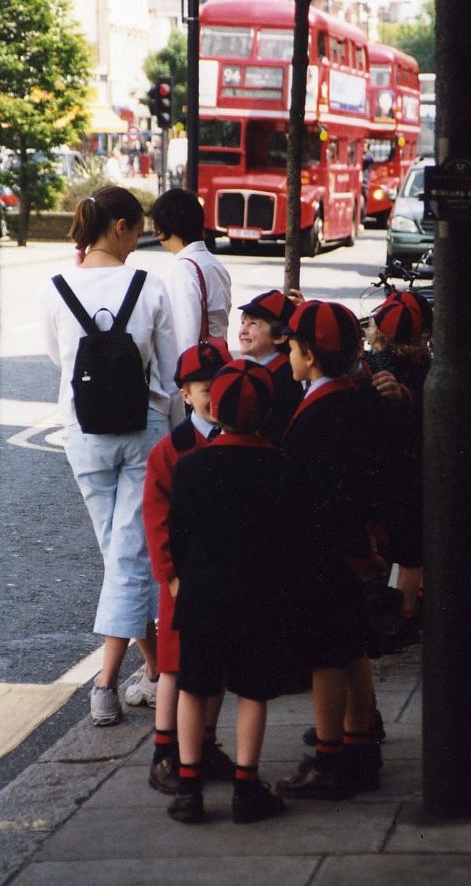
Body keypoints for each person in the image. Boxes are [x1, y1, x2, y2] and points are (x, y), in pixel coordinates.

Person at [40, 186, 185, 726]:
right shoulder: (148, 285)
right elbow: (169, 371)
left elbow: (60, 357)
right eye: (137, 227)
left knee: (121, 554)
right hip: (143, 429)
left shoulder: (56, 286)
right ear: (120, 227)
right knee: (129, 556)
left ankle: (149, 671)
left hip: (82, 431)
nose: (141, 237)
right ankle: (105, 686)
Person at [166, 359, 296, 824]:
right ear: (267, 411)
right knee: (252, 691)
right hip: (259, 595)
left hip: (202, 593)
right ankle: (246, 786)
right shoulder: (281, 465)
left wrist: (182, 578)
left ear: (214, 409)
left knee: (193, 687)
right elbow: (287, 538)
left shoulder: (192, 467)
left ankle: (187, 788)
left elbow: (177, 535)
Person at [276, 300, 381, 801]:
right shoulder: (353, 396)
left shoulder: (320, 416)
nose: (289, 354)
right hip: (349, 552)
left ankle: (330, 758)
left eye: (293, 346)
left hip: (323, 556)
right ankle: (360, 746)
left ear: (310, 356)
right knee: (353, 648)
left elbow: (320, 498)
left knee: (325, 657)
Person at [142, 342, 235, 796]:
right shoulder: (171, 448)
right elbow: (155, 517)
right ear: (184, 393)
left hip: (219, 575)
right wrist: (169, 575)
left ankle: (204, 744)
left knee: (215, 664)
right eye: (203, 388)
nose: (212, 397)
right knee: (175, 667)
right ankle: (164, 751)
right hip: (180, 578)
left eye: (220, 386)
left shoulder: (234, 439)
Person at [365, 290, 432, 647]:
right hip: (414, 475)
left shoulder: (371, 365)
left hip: (380, 473)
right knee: (410, 551)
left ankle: (393, 616)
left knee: (388, 547)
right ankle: (407, 613)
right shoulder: (428, 370)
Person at [150, 188, 232, 355]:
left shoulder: (183, 268)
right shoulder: (214, 263)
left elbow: (184, 335)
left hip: (194, 371)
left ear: (162, 228)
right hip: (216, 360)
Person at [236, 290, 304, 443]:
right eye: (243, 322)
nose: (243, 331)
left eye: (253, 323)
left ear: (279, 337)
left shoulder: (280, 378)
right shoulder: (273, 370)